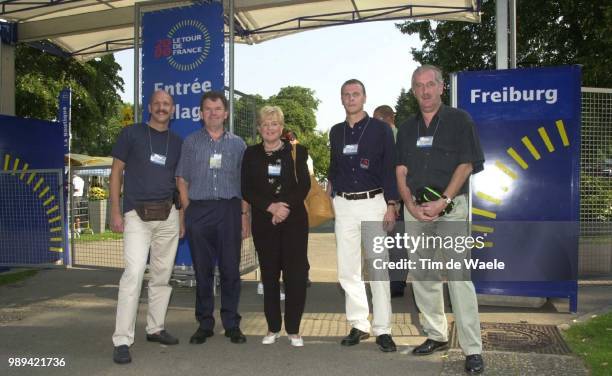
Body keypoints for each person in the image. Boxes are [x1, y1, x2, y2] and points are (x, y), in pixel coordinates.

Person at [395, 65, 485, 373]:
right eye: (418, 86)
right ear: (413, 90)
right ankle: (436, 334)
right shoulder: (406, 128)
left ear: (441, 87)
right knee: (423, 277)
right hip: (416, 211)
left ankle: (472, 348)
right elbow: (400, 170)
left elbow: (467, 164)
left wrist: (443, 200)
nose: (425, 91)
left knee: (459, 279)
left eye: (430, 84)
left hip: (451, 209)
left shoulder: (460, 120)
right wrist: (409, 203)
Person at [109, 89, 183, 364]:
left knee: (162, 275)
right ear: (149, 107)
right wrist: (115, 211)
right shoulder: (131, 134)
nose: (162, 108)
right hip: (135, 216)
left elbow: (179, 183)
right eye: (157, 104)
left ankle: (155, 327)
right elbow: (116, 172)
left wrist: (182, 217)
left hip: (168, 215)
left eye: (167, 104)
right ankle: (122, 339)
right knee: (134, 273)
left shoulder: (177, 142)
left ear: (172, 110)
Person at [327, 79, 399, 353]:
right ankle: (359, 324)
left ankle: (383, 328)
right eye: (346, 94)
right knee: (348, 270)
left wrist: (391, 204)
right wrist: (332, 194)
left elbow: (390, 167)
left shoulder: (381, 130)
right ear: (341, 99)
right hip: (344, 205)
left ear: (364, 97)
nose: (351, 98)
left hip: (374, 203)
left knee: (378, 267)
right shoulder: (335, 132)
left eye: (355, 93)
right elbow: (334, 166)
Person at [176, 91, 250, 345]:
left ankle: (232, 324)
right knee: (202, 271)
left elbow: (245, 184)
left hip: (229, 210)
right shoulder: (191, 142)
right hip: (199, 210)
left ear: (226, 113)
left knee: (231, 270)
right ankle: (205, 324)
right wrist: (189, 212)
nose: (213, 113)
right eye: (207, 109)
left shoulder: (238, 145)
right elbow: (182, 179)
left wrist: (244, 215)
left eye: (218, 109)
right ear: (200, 113)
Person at [242, 106, 310, 347]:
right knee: (269, 276)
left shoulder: (297, 152)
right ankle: (272, 328)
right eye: (265, 124)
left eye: (275, 124)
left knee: (295, 276)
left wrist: (284, 208)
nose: (270, 128)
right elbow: (246, 189)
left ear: (281, 128)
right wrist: (271, 208)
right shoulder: (250, 154)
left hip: (294, 222)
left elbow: (304, 186)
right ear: (259, 128)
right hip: (264, 221)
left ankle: (293, 329)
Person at [373, 105, 407, 298]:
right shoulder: (403, 136)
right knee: (397, 243)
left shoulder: (388, 138)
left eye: (376, 119)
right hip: (398, 197)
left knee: (391, 242)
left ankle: (394, 282)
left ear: (385, 119)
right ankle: (397, 280)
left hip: (390, 198)